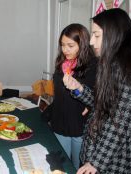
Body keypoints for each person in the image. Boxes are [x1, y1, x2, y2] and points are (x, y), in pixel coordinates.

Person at [63, 8, 131, 174]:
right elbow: (102, 105)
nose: (91, 42)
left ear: (115, 35)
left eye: (97, 35)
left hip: (112, 161)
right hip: (96, 151)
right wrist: (79, 89)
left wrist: (96, 163)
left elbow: (120, 123)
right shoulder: (112, 64)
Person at [50, 23, 96, 169]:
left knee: (78, 167)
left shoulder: (94, 65)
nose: (65, 50)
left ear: (82, 45)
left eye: (70, 45)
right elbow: (59, 94)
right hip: (60, 123)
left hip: (79, 125)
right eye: (63, 45)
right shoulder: (61, 63)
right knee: (60, 166)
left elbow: (97, 95)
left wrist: (90, 106)